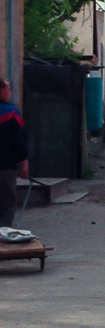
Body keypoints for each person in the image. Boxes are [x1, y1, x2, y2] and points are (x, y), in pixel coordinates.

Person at [0, 78, 29, 228]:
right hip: (6, 167)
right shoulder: (12, 113)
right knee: (7, 204)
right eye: (8, 89)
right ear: (1, 91)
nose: (10, 93)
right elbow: (19, 141)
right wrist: (24, 162)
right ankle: (3, 239)